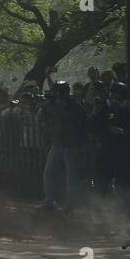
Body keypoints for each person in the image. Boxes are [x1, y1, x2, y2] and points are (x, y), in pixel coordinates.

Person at [39, 81, 88, 211]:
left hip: (72, 145)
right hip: (58, 143)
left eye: (58, 94)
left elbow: (66, 118)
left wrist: (54, 106)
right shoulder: (55, 105)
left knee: (71, 176)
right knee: (49, 172)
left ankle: (71, 204)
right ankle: (49, 201)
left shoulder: (75, 106)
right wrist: (47, 106)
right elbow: (43, 119)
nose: (57, 97)